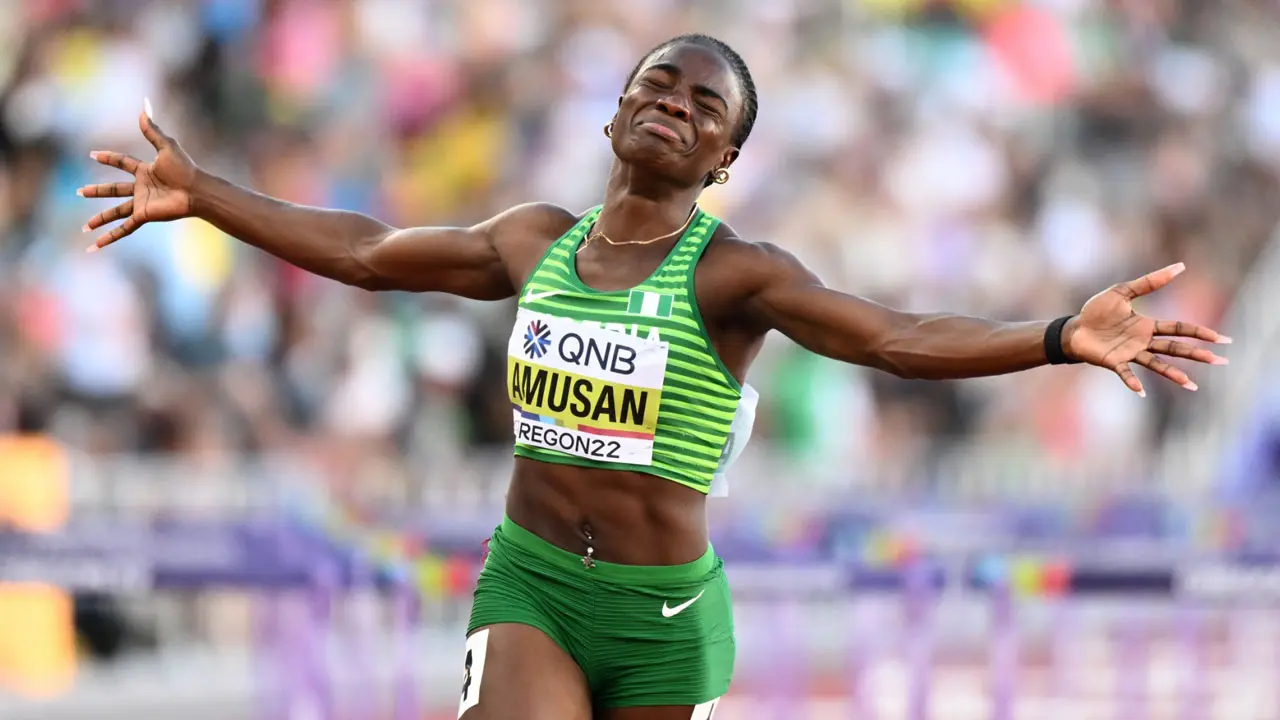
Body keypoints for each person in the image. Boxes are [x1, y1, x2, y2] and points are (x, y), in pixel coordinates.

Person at [79, 33, 1229, 720]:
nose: (674, 103)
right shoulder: (530, 241)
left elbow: (891, 335)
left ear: (722, 159)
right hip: (532, 583)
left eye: (703, 105)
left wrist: (1052, 336)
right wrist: (207, 193)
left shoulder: (733, 276)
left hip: (664, 616)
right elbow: (370, 252)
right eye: (657, 84)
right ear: (615, 111)